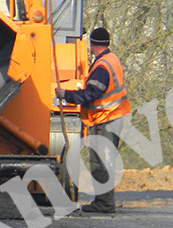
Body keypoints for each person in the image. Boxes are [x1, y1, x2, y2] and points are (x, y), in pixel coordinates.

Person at [55, 27, 131, 215]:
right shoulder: (111, 60)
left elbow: (90, 94)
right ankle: (103, 202)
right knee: (104, 161)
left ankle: (104, 204)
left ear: (92, 44)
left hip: (106, 118)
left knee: (101, 162)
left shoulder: (101, 66)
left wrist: (66, 95)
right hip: (112, 116)